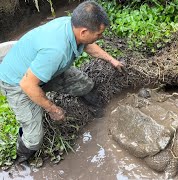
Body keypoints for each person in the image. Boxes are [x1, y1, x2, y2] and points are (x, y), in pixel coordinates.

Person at [0, 1, 124, 164]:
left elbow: (88, 45)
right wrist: (52, 109)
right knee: (34, 138)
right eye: (99, 34)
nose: (100, 37)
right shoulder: (56, 51)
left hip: (41, 70)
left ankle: (98, 113)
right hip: (18, 83)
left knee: (85, 85)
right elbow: (27, 85)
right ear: (84, 31)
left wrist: (112, 60)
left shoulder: (71, 25)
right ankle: (20, 159)